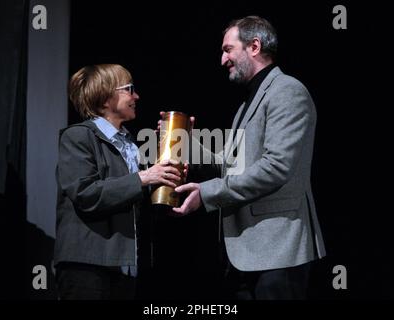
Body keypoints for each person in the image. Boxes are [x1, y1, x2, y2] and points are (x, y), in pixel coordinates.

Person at [172, 16, 326, 299]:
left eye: (228, 49)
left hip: (278, 250)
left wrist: (206, 194)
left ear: (254, 46)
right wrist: (184, 143)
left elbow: (276, 167)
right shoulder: (247, 103)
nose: (222, 59)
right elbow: (232, 165)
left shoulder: (287, 91)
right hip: (246, 252)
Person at [54, 64, 182, 300]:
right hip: (88, 264)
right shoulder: (79, 136)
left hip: (125, 266)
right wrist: (144, 177)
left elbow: (135, 197)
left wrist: (168, 155)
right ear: (104, 98)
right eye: (129, 89)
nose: (136, 96)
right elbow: (85, 193)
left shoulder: (131, 144)